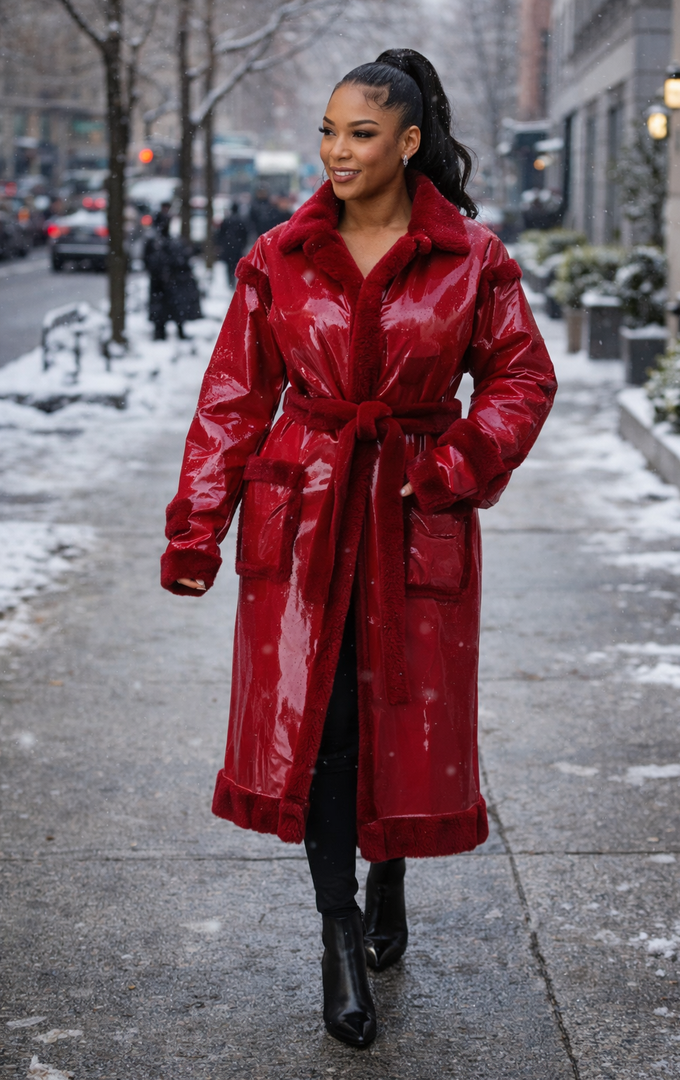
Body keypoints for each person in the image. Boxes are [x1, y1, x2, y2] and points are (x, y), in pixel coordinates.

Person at [161, 49, 556, 1048]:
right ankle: (338, 935)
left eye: (361, 133)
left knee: (398, 716)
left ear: (409, 142)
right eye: (329, 132)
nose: (337, 151)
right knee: (325, 725)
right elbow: (233, 398)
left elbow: (522, 379)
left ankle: (390, 875)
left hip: (416, 512)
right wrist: (197, 525)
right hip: (305, 517)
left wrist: (456, 461)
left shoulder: (474, 259)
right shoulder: (277, 257)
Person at [144, 205, 202, 340]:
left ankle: (168, 331)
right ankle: (161, 332)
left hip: (169, 282)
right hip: (162, 282)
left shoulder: (168, 241)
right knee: (165, 309)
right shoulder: (156, 242)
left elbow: (182, 260)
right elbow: (150, 261)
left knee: (172, 308)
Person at [215, 202, 248, 288]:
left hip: (228, 246)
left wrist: (220, 244)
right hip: (238, 246)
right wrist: (243, 244)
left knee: (229, 265)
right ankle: (235, 280)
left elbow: (220, 234)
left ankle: (230, 281)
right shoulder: (241, 220)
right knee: (236, 264)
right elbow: (245, 234)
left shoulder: (227, 220)